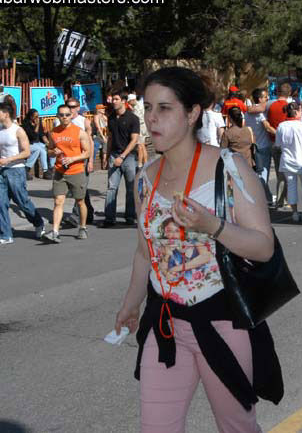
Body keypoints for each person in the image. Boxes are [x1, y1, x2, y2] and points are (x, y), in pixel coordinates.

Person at [113, 67, 283, 433]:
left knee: (236, 425)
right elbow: (146, 251)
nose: (153, 119)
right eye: (148, 108)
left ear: (192, 114)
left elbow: (264, 247)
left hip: (223, 322)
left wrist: (213, 226)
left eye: (165, 108)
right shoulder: (145, 178)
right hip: (167, 324)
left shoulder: (229, 167)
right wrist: (131, 302)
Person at [0, 102, 45, 245]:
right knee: (0, 203)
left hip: (16, 170)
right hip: (2, 171)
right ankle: (6, 235)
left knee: (22, 201)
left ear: (6, 114)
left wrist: (8, 159)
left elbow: (26, 152)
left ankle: (38, 223)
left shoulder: (18, 130)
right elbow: (0, 149)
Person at [43, 104, 91, 243]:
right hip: (59, 171)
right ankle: (55, 232)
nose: (64, 117)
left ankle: (82, 227)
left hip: (76, 171)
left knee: (80, 201)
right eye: (61, 115)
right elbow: (50, 151)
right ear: (58, 116)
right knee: (58, 201)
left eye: (67, 115)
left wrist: (73, 158)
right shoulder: (54, 132)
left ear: (71, 115)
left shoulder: (79, 132)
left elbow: (87, 152)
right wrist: (53, 152)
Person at [100, 90, 140, 227]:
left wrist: (122, 156)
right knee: (111, 187)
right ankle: (109, 218)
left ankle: (130, 216)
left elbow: (134, 140)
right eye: (113, 99)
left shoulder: (133, 118)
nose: (113, 101)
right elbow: (110, 137)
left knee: (130, 188)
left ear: (124, 101)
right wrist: (106, 155)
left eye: (116, 99)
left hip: (129, 157)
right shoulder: (111, 117)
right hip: (113, 155)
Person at [54, 97, 95, 227]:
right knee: (81, 191)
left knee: (80, 191)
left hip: (80, 160)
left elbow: (90, 143)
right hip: (63, 163)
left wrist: (90, 161)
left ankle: (76, 217)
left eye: (73, 107)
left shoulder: (84, 121)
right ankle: (89, 213)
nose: (70, 109)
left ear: (78, 107)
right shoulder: (57, 122)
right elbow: (53, 143)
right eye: (68, 106)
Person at [274, 102, 302, 222]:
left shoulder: (281, 126)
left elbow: (278, 144)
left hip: (287, 160)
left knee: (292, 187)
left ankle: (294, 213)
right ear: (297, 112)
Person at [246, 88, 274, 203]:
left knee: (258, 172)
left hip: (253, 146)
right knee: (263, 173)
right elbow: (267, 127)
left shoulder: (247, 113)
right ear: (259, 98)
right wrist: (279, 133)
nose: (267, 98)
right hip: (263, 146)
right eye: (265, 97)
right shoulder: (260, 113)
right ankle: (263, 198)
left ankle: (268, 197)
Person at [267, 82, 293, 208]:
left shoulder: (271, 106)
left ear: (277, 92)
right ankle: (284, 200)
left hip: (273, 142)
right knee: (287, 173)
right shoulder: (289, 107)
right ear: (289, 93)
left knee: (279, 172)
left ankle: (282, 199)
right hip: (286, 143)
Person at [23, 109, 54, 180]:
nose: (37, 118)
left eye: (38, 116)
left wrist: (47, 142)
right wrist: (37, 126)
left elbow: (42, 134)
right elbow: (33, 136)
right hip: (30, 144)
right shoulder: (26, 125)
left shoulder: (38, 123)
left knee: (52, 148)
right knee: (41, 150)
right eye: (35, 116)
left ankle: (51, 167)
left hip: (38, 143)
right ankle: (45, 171)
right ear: (31, 117)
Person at [93, 103, 109, 169]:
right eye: (102, 108)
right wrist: (103, 136)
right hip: (99, 134)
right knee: (96, 148)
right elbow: (98, 127)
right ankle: (103, 164)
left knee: (106, 148)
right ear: (99, 110)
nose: (104, 109)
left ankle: (105, 164)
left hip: (106, 133)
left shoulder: (104, 116)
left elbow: (107, 126)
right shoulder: (96, 116)